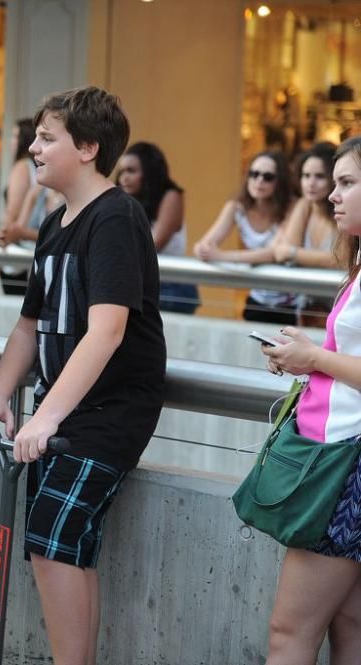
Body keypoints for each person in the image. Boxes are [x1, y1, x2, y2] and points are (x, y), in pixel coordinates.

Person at [0, 86, 166, 665]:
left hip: (107, 412)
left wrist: (49, 414)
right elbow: (29, 324)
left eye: (46, 138)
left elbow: (107, 330)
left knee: (53, 544)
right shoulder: (56, 221)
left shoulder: (116, 217)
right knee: (59, 548)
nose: (32, 148)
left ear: (87, 147)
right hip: (62, 410)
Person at [259, 135, 361, 665]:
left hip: (346, 467)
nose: (332, 196)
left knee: (289, 632)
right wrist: (306, 354)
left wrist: (313, 359)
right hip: (344, 456)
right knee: (349, 625)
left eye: (346, 183)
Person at [193, 150, 296, 324]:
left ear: (280, 181)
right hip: (257, 298)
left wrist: (221, 256)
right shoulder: (236, 208)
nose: (259, 181)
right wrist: (202, 249)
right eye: (254, 174)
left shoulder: (291, 208)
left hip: (291, 302)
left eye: (268, 176)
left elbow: (273, 254)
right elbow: (205, 244)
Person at [117, 141, 200, 314]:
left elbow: (154, 244)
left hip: (169, 286)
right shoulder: (121, 201)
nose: (124, 177)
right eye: (121, 171)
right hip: (134, 283)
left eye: (131, 171)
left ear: (148, 173)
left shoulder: (171, 196)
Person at [272, 142, 340, 327]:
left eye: (319, 176)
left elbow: (339, 259)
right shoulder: (304, 206)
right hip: (308, 308)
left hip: (341, 309)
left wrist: (294, 253)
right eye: (305, 175)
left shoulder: (343, 211)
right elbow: (283, 252)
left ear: (335, 178)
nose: (310, 183)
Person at [0, 117, 37, 295]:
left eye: (14, 136)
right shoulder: (36, 168)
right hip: (31, 249)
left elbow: (13, 210)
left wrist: (3, 233)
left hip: (19, 250)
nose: (11, 141)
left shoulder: (22, 167)